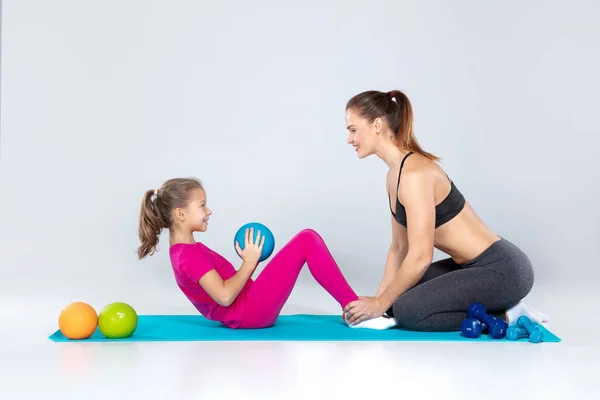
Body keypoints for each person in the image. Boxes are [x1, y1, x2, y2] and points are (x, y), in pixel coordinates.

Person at [341, 89, 548, 331]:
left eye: (353, 129)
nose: (349, 139)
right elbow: (400, 247)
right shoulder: (393, 176)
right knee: (396, 300)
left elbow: (420, 257)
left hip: (502, 269)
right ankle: (493, 309)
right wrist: (381, 306)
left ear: (377, 125)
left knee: (410, 311)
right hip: (468, 266)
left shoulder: (415, 175)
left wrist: (379, 303)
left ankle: (508, 315)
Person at [136, 178, 396, 330]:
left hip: (249, 305)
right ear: (181, 214)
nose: (209, 211)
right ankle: (356, 313)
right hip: (249, 313)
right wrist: (249, 263)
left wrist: (247, 265)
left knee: (307, 239)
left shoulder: (185, 251)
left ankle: (353, 309)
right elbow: (225, 297)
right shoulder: (187, 256)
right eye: (202, 205)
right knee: (307, 240)